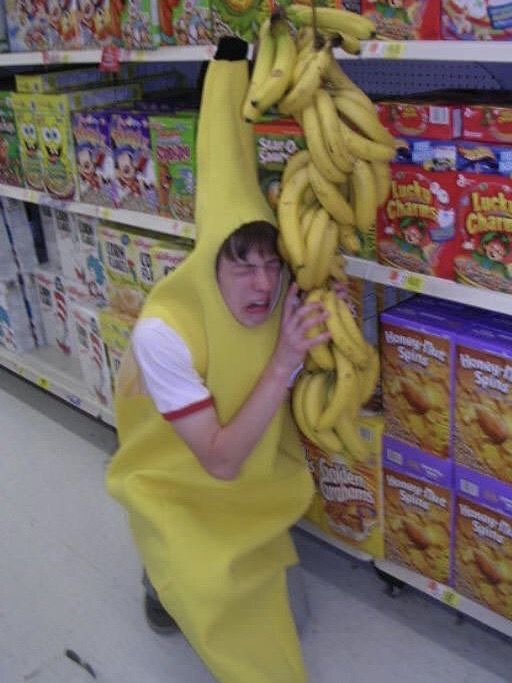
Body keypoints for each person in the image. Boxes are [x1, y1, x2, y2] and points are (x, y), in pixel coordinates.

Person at [106, 38, 328, 683]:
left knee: (285, 611)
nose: (263, 285)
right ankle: (157, 567)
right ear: (210, 263)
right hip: (181, 476)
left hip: (252, 485)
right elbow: (220, 461)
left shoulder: (277, 291)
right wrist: (285, 359)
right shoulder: (164, 333)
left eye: (272, 263)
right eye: (242, 263)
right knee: (199, 591)